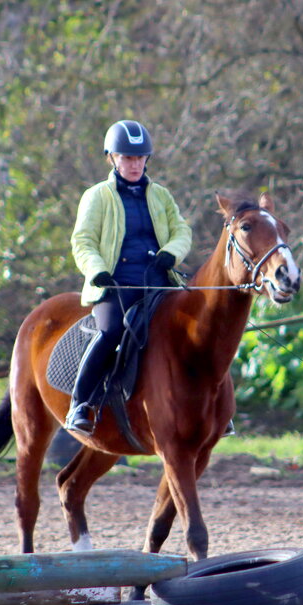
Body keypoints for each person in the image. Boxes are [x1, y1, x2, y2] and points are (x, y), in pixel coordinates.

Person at [64, 119, 192, 434]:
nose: (134, 164)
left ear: (147, 159)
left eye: (139, 158)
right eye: (127, 158)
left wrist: (172, 253)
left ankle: (210, 406)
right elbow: (82, 241)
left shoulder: (161, 196)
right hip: (116, 284)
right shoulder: (97, 196)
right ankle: (80, 404)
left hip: (159, 283)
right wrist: (97, 271)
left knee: (196, 328)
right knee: (109, 332)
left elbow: (181, 230)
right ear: (112, 158)